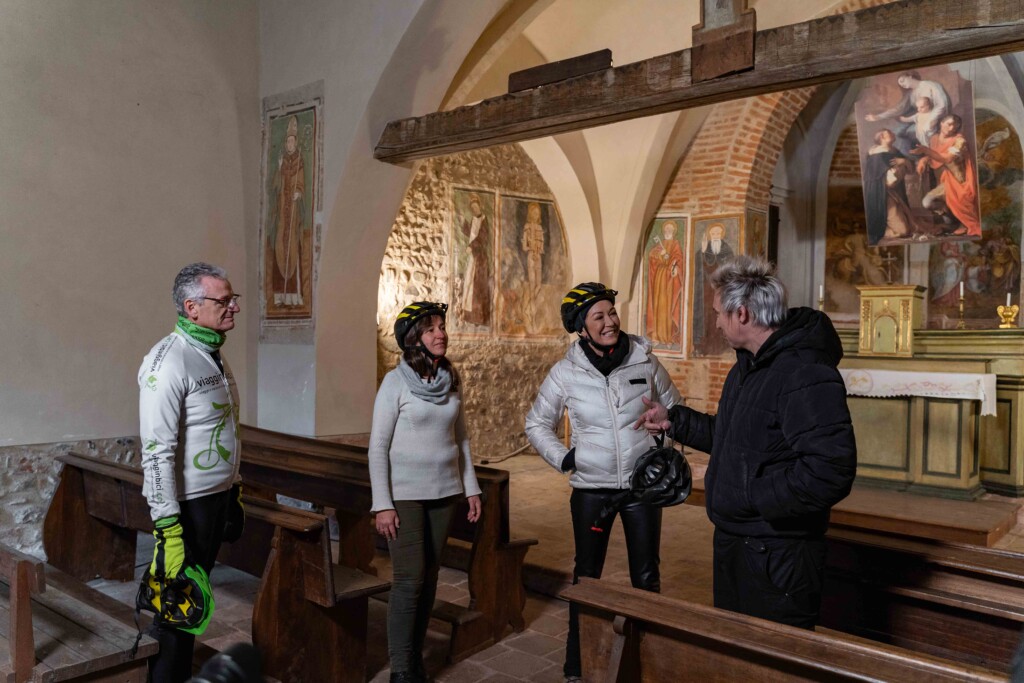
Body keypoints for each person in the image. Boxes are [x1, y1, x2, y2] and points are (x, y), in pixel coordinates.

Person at [636, 256, 856, 629]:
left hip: (777, 555)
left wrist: (750, 496)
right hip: (739, 543)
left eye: (719, 314)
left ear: (742, 314)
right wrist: (675, 421)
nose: (716, 323)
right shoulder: (749, 365)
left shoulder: (804, 372)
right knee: (734, 651)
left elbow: (830, 470)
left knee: (771, 656)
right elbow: (735, 437)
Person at [525, 283, 681, 682]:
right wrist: (566, 458)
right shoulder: (565, 372)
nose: (610, 321)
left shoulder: (644, 361)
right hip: (592, 492)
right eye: (599, 316)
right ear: (581, 327)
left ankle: (650, 664)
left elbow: (673, 408)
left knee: (646, 577)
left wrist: (663, 441)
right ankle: (576, 665)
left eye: (612, 312)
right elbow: (537, 423)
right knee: (586, 576)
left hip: (641, 489)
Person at [139, 262, 244, 683]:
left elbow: (225, 427)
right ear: (192, 307)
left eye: (233, 298)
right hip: (186, 508)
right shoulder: (168, 361)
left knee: (192, 609)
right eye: (225, 300)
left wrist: (234, 488)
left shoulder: (210, 353)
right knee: (175, 611)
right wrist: (168, 528)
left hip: (215, 499)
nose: (234, 307)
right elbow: (156, 452)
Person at [370, 301, 483, 683]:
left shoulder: (451, 377)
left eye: (441, 327)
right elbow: (377, 446)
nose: (441, 334)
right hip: (405, 495)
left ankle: (414, 659)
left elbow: (461, 438)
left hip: (445, 491)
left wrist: (471, 489)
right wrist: (382, 504)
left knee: (431, 577)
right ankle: (401, 670)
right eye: (431, 329)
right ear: (413, 339)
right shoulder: (395, 382)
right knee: (409, 579)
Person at [914, 114, 982, 237]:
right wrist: (924, 159)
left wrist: (926, 151)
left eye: (955, 126)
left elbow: (947, 158)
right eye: (949, 124)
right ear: (941, 123)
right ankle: (952, 222)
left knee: (956, 204)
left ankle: (963, 224)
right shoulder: (934, 139)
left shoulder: (960, 141)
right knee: (928, 202)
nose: (951, 128)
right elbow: (935, 155)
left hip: (960, 182)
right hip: (946, 180)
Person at [865, 70, 950, 155]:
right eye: (900, 84)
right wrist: (878, 116)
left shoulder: (931, 85)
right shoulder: (910, 93)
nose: (902, 84)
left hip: (935, 119)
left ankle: (924, 154)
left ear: (910, 76)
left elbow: (942, 105)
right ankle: (908, 157)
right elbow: (899, 108)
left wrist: (930, 120)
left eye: (902, 80)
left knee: (911, 132)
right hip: (919, 118)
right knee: (897, 132)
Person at [268, 114, 305, 307]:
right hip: (282, 212)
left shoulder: (299, 161)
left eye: (292, 141)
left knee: (292, 248)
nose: (290, 144)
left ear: (296, 143)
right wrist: (279, 168)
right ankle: (278, 294)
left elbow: (301, 182)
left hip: (293, 214)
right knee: (279, 248)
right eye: (288, 141)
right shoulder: (282, 161)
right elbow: (275, 185)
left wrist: (299, 191)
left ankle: (293, 294)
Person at [864, 129, 916, 243]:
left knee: (910, 225)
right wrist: (900, 167)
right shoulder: (876, 155)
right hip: (883, 195)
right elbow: (889, 181)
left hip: (895, 194)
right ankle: (882, 230)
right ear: (882, 137)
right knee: (903, 231)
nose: (893, 134)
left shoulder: (894, 151)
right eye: (889, 133)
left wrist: (904, 161)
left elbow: (911, 169)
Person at [646, 220, 685, 345]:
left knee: (668, 307)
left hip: (670, 281)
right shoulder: (660, 244)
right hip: (659, 278)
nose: (668, 231)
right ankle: (656, 335)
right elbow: (651, 256)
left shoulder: (676, 244)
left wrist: (674, 265)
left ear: (674, 231)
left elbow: (679, 259)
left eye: (670, 229)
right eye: (666, 229)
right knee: (658, 306)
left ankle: (669, 337)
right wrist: (660, 254)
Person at [460, 193, 491, 326]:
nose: (474, 209)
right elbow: (470, 233)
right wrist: (463, 221)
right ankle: (468, 315)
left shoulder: (484, 219)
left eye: (476, 206)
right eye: (472, 208)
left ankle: (479, 317)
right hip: (473, 256)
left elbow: (482, 237)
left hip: (480, 257)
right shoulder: (473, 219)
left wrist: (471, 246)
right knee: (469, 283)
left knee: (478, 286)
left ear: (480, 206)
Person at [521, 202, 545, 291]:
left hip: (538, 256)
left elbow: (542, 245)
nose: (536, 216)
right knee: (532, 283)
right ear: (530, 214)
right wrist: (531, 247)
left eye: (538, 214)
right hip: (530, 255)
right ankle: (531, 300)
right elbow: (524, 247)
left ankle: (532, 299)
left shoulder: (540, 228)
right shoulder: (527, 227)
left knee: (538, 285)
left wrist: (539, 249)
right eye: (534, 213)